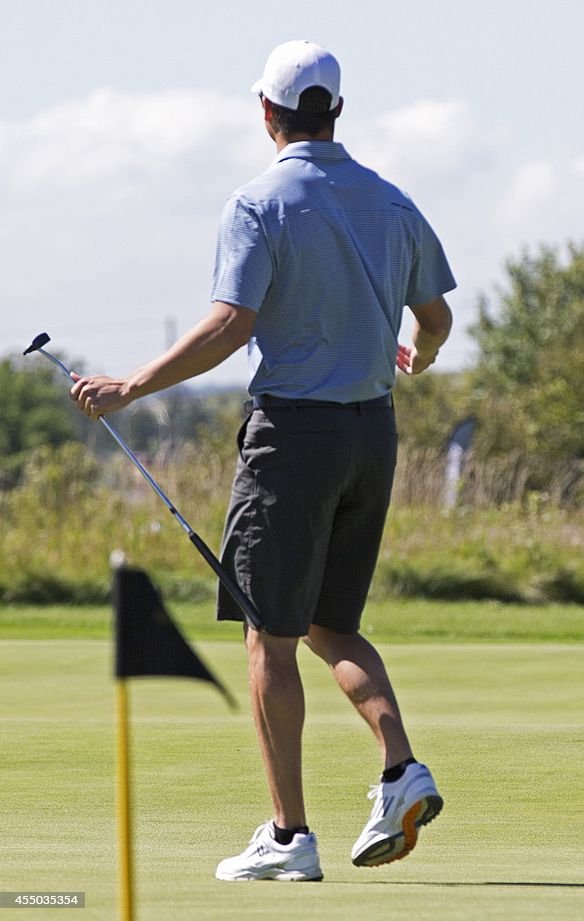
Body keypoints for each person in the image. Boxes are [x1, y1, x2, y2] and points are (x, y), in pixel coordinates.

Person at [70, 39, 455, 878]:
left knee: (268, 636)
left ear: (267, 113)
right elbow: (435, 319)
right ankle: (401, 769)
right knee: (331, 624)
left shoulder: (258, 201)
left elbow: (229, 325)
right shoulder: (391, 199)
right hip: (371, 435)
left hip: (293, 440)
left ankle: (289, 836)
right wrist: (415, 357)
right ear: (337, 112)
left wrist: (131, 385)